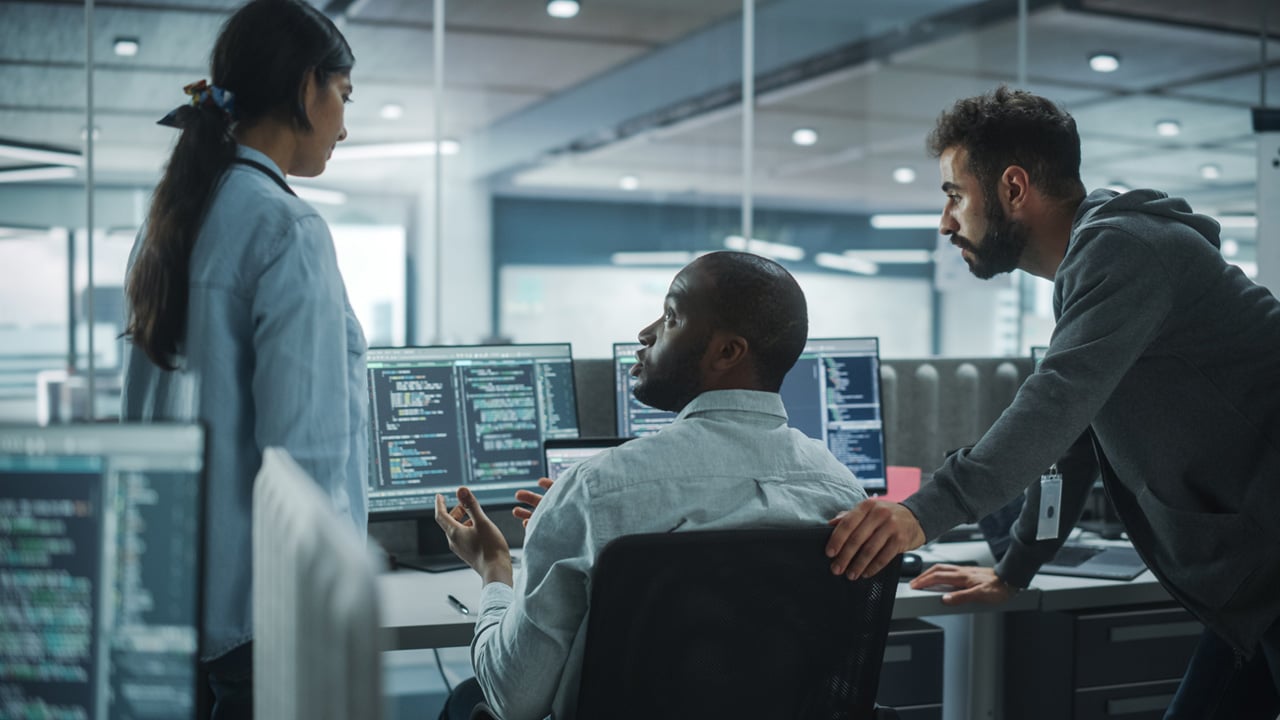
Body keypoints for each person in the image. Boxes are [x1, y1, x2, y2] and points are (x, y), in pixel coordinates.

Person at [824, 86, 1280, 718]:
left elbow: (1053, 403)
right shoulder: (1095, 266)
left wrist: (922, 513)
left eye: (955, 194)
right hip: (1254, 589)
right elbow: (1074, 440)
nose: (945, 221)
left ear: (1013, 187)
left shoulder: (1126, 251)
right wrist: (1016, 568)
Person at [434, 251, 867, 720]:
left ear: (727, 352)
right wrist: (562, 525)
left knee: (467, 700)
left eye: (673, 316)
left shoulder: (594, 491)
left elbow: (513, 699)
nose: (647, 332)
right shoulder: (842, 492)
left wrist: (494, 567)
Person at [120, 1, 366, 716]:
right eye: (343, 97)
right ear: (306, 87)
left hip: (176, 607)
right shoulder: (287, 228)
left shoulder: (173, 219)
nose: (344, 128)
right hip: (266, 622)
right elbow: (306, 463)